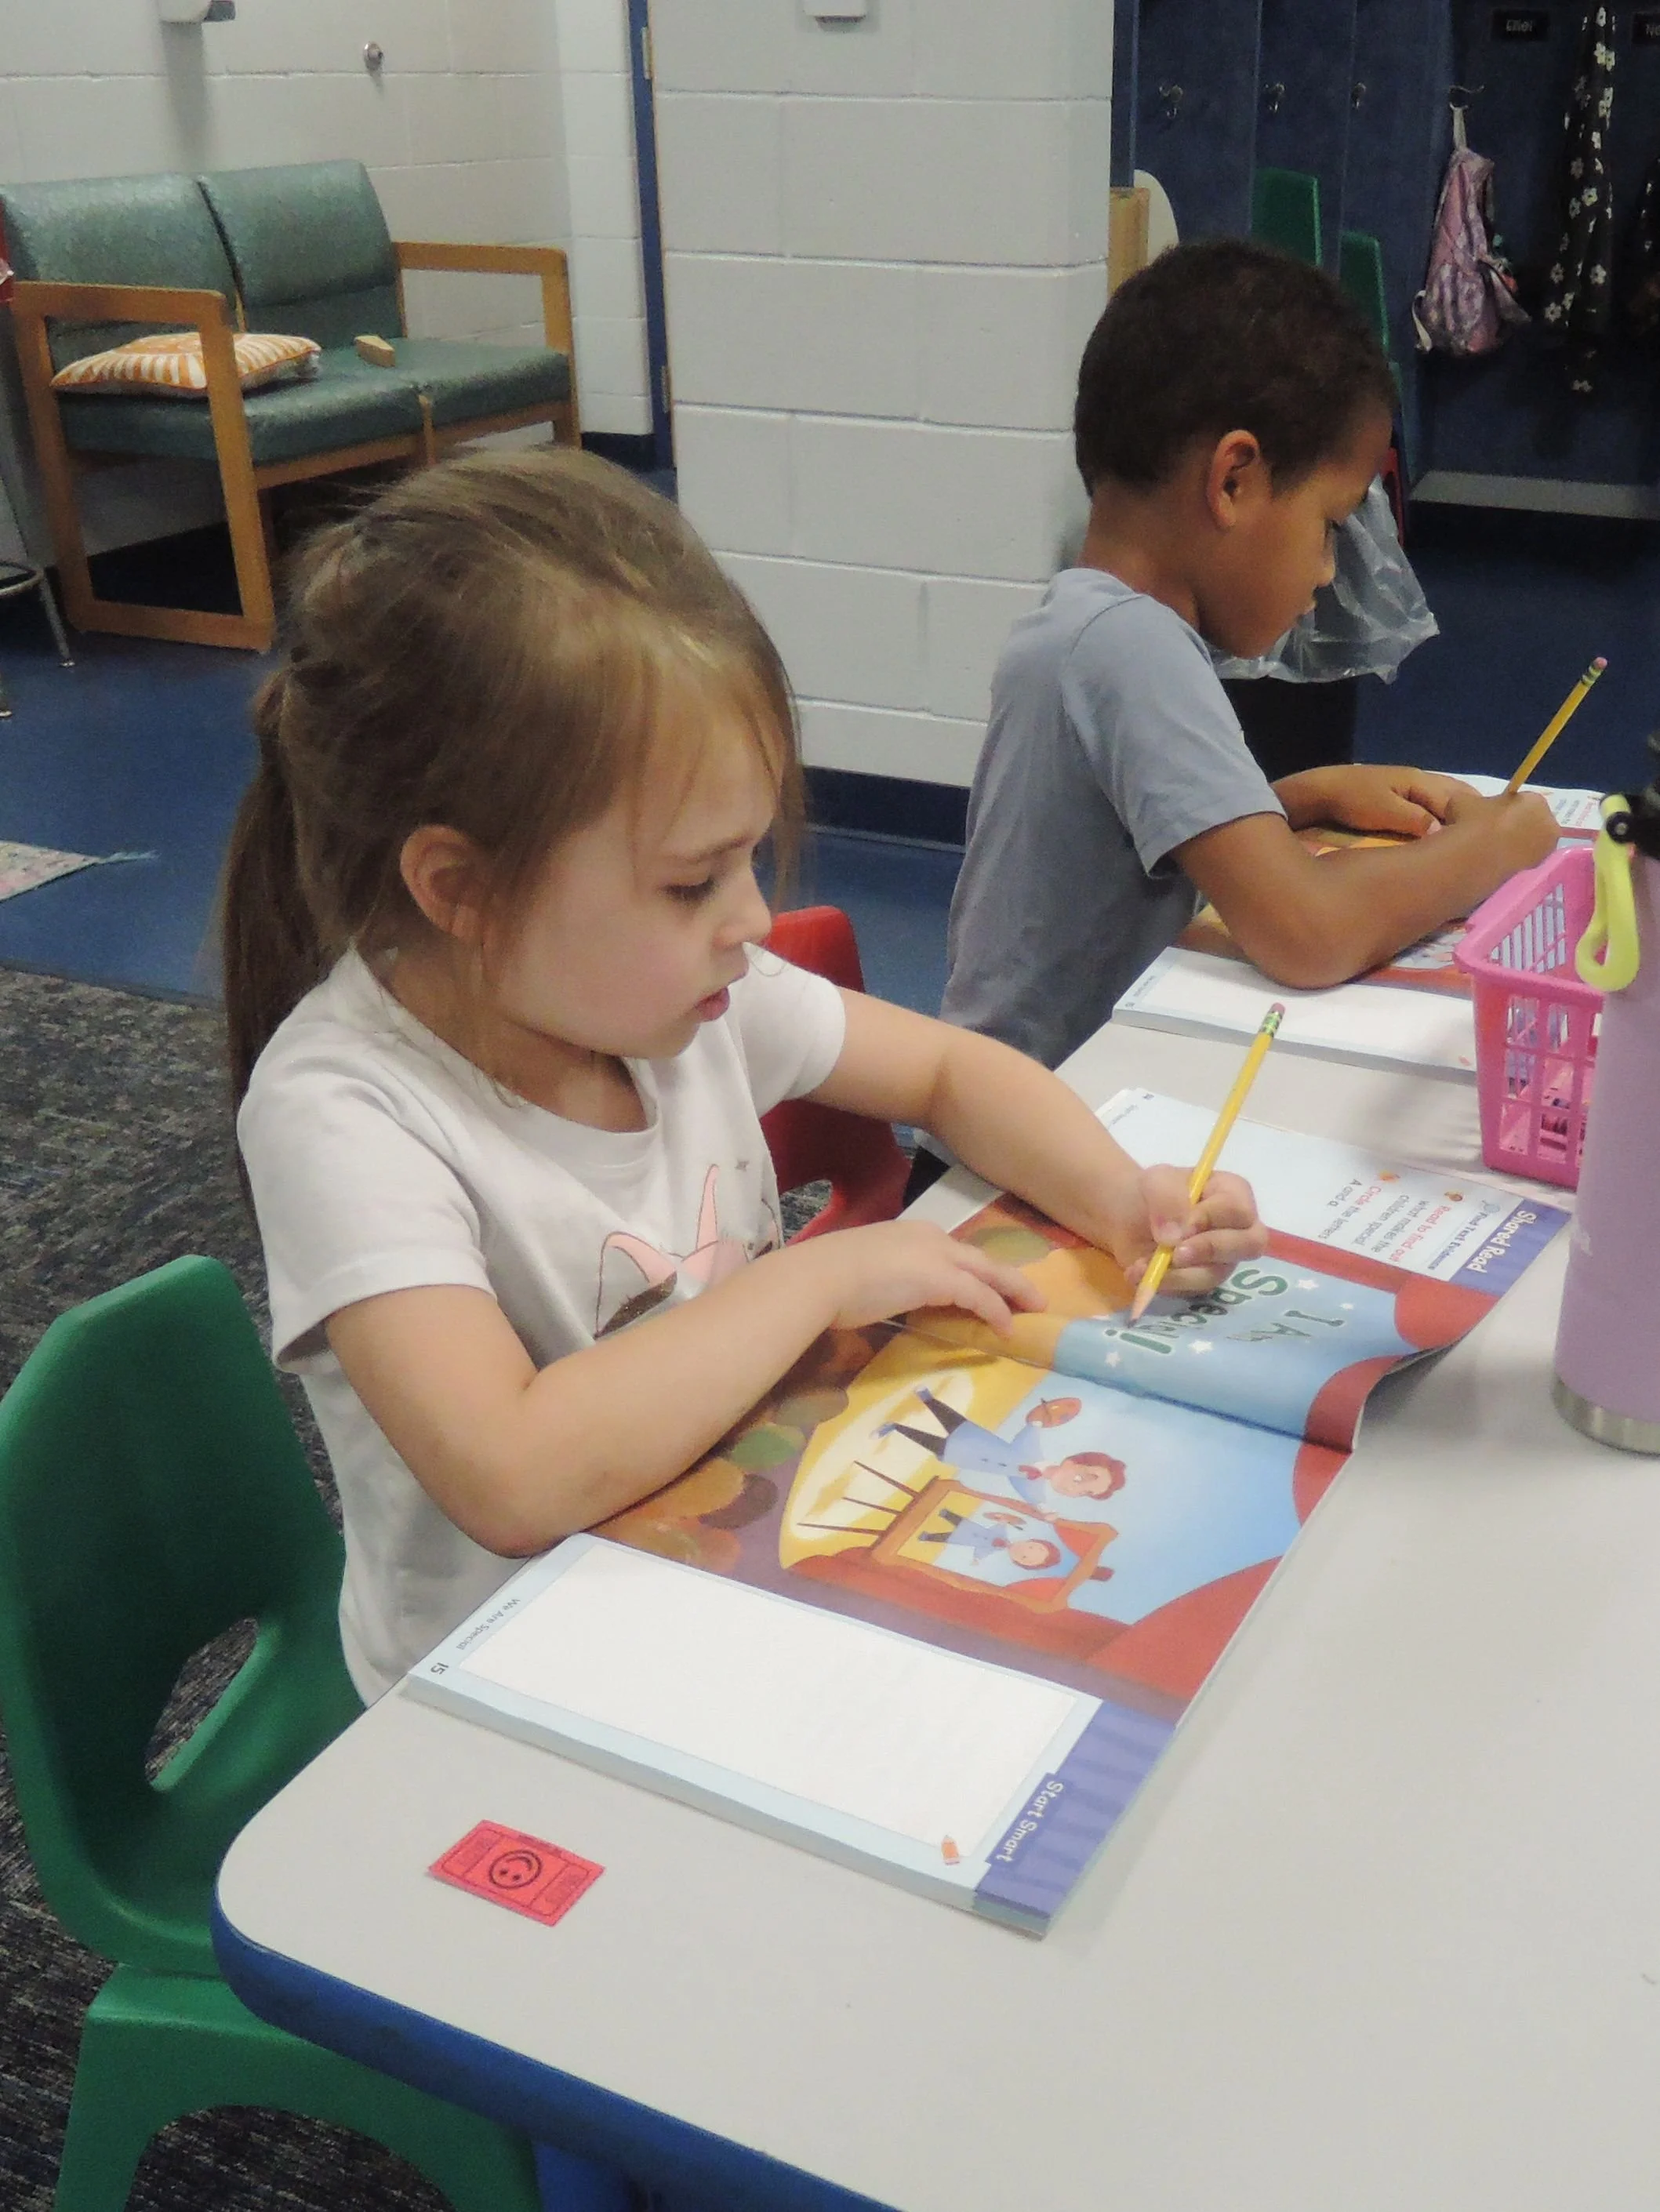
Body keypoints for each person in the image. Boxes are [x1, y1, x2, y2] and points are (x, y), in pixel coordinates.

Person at [223, 449, 1271, 1703]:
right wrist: (818, 1278)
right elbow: (510, 1471)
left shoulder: (674, 993)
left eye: (747, 860)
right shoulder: (344, 1114)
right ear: (458, 891)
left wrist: (1118, 1197)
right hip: (500, 1691)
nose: (753, 918)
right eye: (691, 881)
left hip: (728, 1569)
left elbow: (947, 1073)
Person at [932, 240, 1556, 1117]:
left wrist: (1292, 799)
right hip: (1015, 1155)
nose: (1324, 571)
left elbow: (1132, 838)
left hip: (1023, 1119)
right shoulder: (1130, 645)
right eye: (1330, 525)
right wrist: (1502, 845)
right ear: (1232, 479)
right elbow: (1305, 930)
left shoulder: (1084, 622)